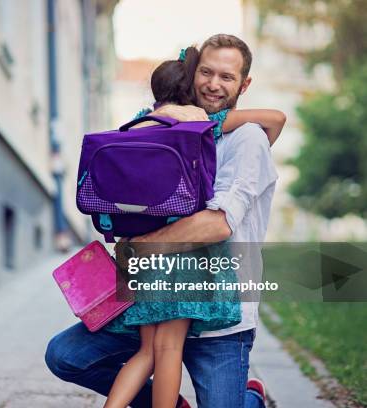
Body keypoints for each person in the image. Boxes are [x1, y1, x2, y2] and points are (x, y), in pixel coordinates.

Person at [45, 34, 281, 408]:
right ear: (191, 76)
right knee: (65, 355)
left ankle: (250, 395)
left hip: (221, 315)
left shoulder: (246, 139)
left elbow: (218, 225)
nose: (214, 85)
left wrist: (136, 247)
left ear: (244, 84)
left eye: (226, 77)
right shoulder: (166, 130)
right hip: (156, 288)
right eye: (206, 72)